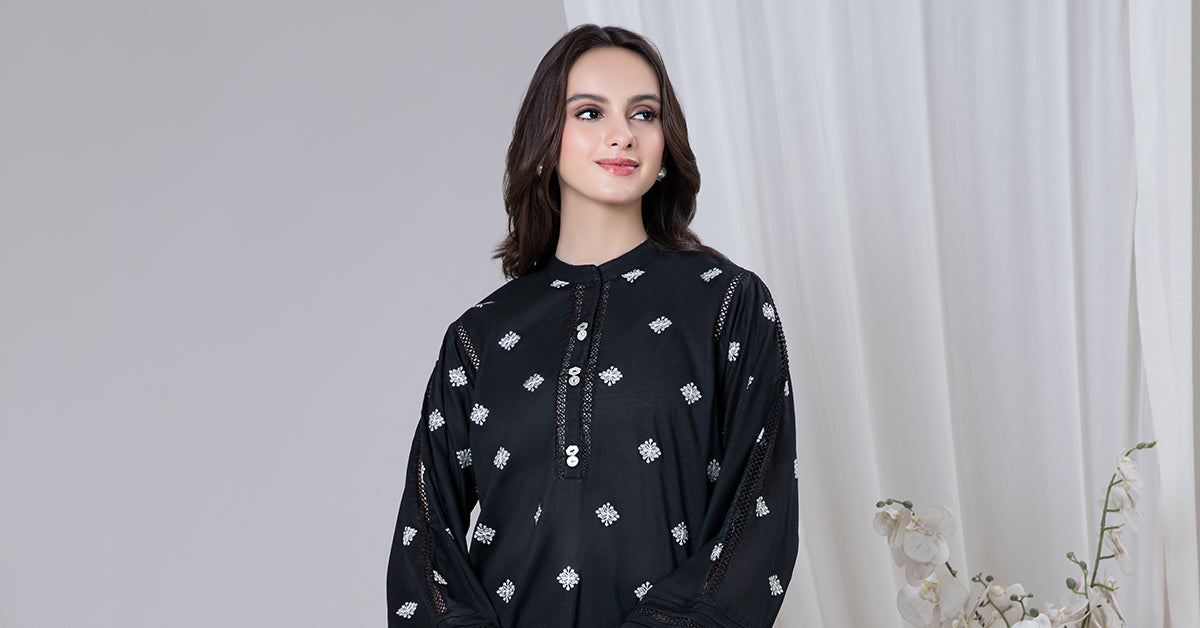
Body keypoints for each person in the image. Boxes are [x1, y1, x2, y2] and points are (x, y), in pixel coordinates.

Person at [387, 24, 798, 627]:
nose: (622, 134)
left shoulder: (728, 304)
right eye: (589, 112)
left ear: (665, 144)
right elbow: (425, 542)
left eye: (644, 114)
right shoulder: (480, 336)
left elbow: (757, 514)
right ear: (546, 138)